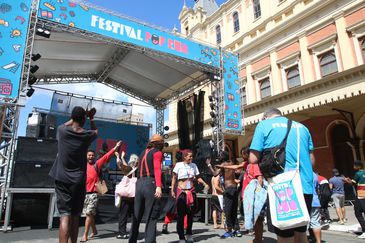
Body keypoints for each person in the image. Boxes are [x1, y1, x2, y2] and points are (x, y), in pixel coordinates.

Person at [249, 107, 315, 243]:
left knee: (285, 234)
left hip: (282, 187)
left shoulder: (263, 125)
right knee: (301, 233)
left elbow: (253, 158)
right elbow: (312, 160)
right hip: (305, 186)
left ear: (265, 117)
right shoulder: (302, 127)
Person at [49, 106, 98, 243]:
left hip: (62, 179)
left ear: (72, 118)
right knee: (76, 216)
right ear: (83, 119)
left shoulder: (62, 131)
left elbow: (65, 124)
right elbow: (95, 131)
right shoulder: (86, 135)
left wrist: (76, 117)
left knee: (65, 216)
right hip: (78, 181)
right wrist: (91, 118)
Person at [217, 149, 264, 243]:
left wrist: (258, 193)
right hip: (247, 194)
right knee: (252, 217)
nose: (242, 157)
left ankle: (257, 239)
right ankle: (256, 238)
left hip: (253, 194)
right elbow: (236, 166)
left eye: (243, 155)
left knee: (257, 219)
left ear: (248, 154)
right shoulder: (246, 164)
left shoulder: (254, 165)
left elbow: (259, 178)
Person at [80, 141, 122, 242]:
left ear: (94, 157)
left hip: (94, 193)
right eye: (89, 155)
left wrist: (115, 147)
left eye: (92, 155)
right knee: (89, 214)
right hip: (84, 194)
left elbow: (106, 156)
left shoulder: (97, 164)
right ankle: (94, 231)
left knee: (89, 214)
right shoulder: (82, 165)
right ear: (86, 156)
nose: (90, 157)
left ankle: (85, 235)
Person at [129, 134, 164, 243]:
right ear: (160, 143)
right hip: (150, 184)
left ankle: (132, 241)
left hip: (139, 184)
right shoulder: (157, 153)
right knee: (151, 217)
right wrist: (158, 186)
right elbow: (157, 169)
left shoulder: (142, 153)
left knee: (136, 216)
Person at [171, 149, 210, 243]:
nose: (191, 158)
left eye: (192, 156)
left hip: (191, 192)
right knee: (180, 215)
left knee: (190, 214)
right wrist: (172, 190)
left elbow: (198, 177)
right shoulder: (178, 165)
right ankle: (181, 237)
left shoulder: (194, 166)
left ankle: (189, 234)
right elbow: (174, 178)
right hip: (181, 192)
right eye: (190, 156)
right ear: (184, 156)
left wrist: (205, 184)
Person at [215, 151, 242, 238]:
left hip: (229, 190)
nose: (219, 157)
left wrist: (208, 165)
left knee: (227, 211)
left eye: (220, 156)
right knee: (233, 209)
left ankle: (229, 231)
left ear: (223, 157)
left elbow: (215, 174)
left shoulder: (223, 165)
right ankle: (237, 230)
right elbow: (238, 172)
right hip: (234, 188)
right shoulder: (231, 163)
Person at [115, 150, 137, 239]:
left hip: (125, 197)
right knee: (134, 216)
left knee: (122, 216)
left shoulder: (128, 170)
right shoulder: (135, 170)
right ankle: (134, 232)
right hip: (133, 197)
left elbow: (120, 164)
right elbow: (124, 166)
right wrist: (123, 157)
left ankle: (122, 233)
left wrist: (118, 156)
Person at [344, 160, 365, 239]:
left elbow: (352, 183)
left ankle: (364, 230)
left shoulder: (358, 173)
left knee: (358, 212)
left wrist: (347, 180)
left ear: (358, 166)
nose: (353, 166)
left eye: (355, 165)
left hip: (361, 195)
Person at [309, 172, 322, 243]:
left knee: (303, 225)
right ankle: (318, 241)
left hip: (305, 200)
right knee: (316, 222)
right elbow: (317, 188)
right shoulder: (314, 175)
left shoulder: (301, 173)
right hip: (315, 200)